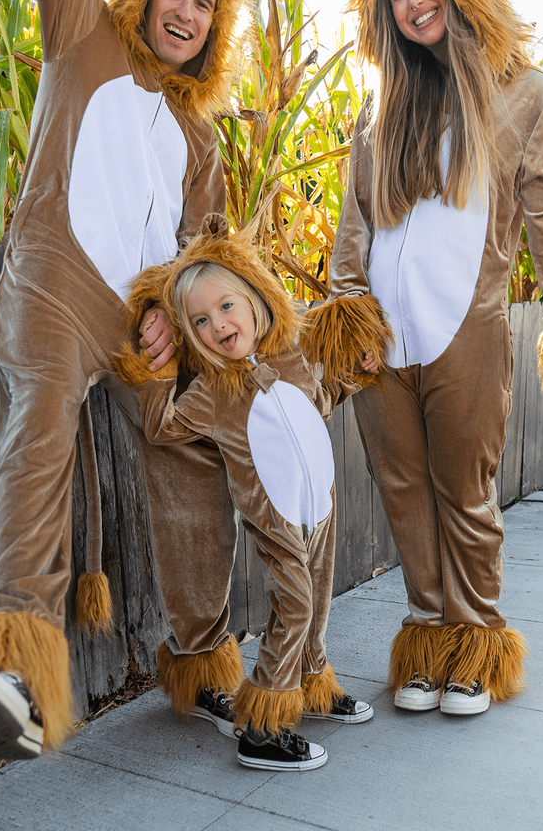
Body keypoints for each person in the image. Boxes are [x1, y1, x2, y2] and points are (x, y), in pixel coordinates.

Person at [0, 0, 248, 760]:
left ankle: (203, 652)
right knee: (43, 413)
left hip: (139, 326)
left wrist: (172, 329)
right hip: (55, 290)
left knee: (190, 443)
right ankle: (12, 662)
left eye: (204, 2)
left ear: (214, 24)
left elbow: (200, 261)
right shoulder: (82, 29)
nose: (185, 11)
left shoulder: (202, 145)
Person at [301, 0, 543, 717]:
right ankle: (427, 635)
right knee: (404, 491)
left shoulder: (522, 93)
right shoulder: (378, 108)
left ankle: (477, 639)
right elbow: (355, 228)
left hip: (469, 330)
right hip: (383, 339)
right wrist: (347, 308)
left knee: (465, 490)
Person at [113, 219, 373, 770]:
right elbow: (163, 429)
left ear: (255, 298)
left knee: (317, 600)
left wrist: (355, 374)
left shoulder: (294, 358)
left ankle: (311, 684)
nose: (219, 325)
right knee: (295, 601)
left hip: (319, 507)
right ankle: (262, 726)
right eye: (201, 321)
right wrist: (154, 377)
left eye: (226, 307)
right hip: (274, 520)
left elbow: (320, 399)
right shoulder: (211, 393)